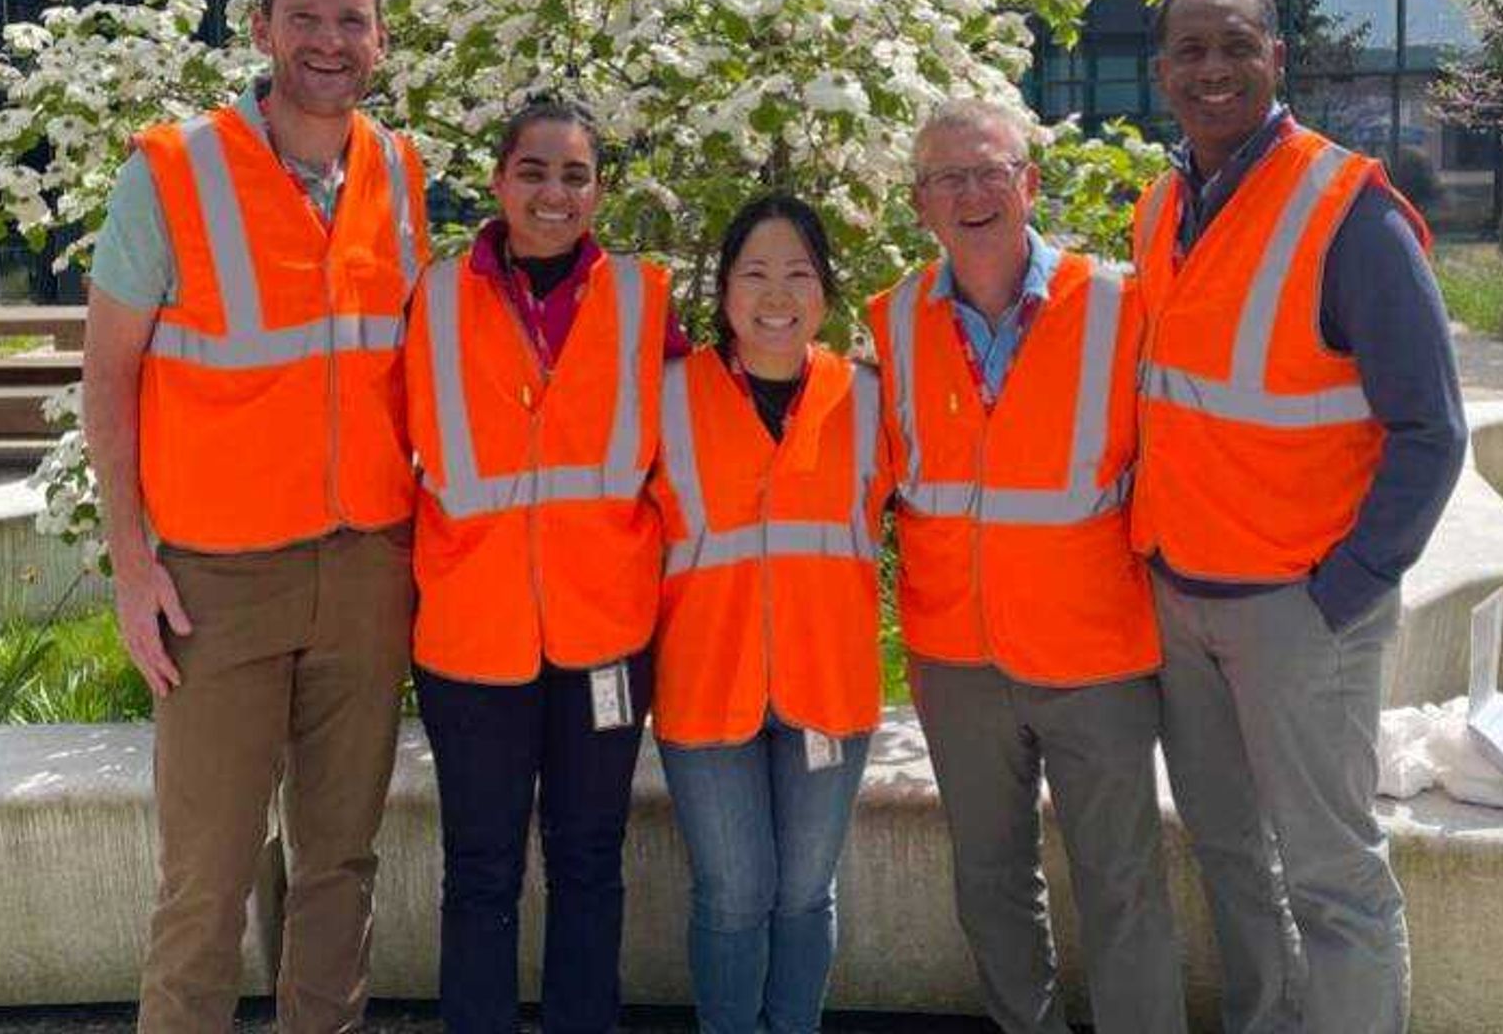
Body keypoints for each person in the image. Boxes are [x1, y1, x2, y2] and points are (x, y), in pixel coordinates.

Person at [85, 0, 430, 1034]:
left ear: (378, 39)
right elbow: (108, 377)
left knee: (339, 866)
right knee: (205, 881)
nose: (330, 41)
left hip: (367, 568)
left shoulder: (399, 172)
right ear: (262, 29)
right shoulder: (174, 169)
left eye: (352, 20)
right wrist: (133, 568)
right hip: (218, 583)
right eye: (308, 17)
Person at [1132, 0, 1468, 1034]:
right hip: (1181, 598)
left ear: (1278, 57)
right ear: (1162, 74)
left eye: (1236, 44)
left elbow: (1433, 429)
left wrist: (1348, 590)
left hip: (1299, 609)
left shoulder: (1348, 208)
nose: (1212, 68)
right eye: (1190, 50)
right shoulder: (1162, 204)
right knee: (1229, 851)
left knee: (1332, 876)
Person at [868, 100, 1185, 1034]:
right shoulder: (891, 320)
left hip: (1098, 657)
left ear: (1029, 184)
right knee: (991, 881)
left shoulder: (1121, 307)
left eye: (989, 171)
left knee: (1122, 883)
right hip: (957, 657)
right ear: (920, 204)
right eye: (945, 179)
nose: (970, 194)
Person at [405, 99, 684, 1034]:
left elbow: (698, 441)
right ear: (497, 182)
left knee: (590, 858)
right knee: (480, 869)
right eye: (534, 171)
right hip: (471, 640)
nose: (553, 193)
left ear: (600, 189)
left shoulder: (648, 300)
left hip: (605, 636)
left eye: (575, 175)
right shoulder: (433, 297)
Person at [650, 194, 891, 1034]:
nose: (776, 295)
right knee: (735, 891)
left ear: (827, 293)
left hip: (828, 688)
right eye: (754, 274)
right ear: (722, 293)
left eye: (798, 274)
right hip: (707, 689)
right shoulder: (667, 397)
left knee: (802, 892)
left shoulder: (868, 399)